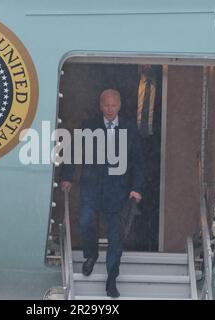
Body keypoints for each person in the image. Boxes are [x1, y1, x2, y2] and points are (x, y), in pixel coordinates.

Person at [61, 89, 144, 298]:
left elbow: (139, 162)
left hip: (118, 191)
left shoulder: (130, 129)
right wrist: (68, 177)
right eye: (106, 105)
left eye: (113, 105)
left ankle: (111, 280)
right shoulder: (89, 126)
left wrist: (137, 188)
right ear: (100, 106)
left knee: (116, 238)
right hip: (91, 187)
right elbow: (72, 151)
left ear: (120, 106)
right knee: (86, 222)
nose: (109, 109)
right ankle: (90, 255)